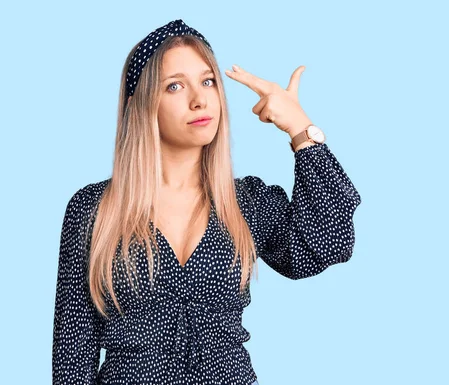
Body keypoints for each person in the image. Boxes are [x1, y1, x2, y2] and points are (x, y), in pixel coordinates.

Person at [52, 19, 362, 385]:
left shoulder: (246, 203)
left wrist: (300, 129)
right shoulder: (94, 209)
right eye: (175, 86)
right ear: (142, 104)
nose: (199, 99)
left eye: (208, 81)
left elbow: (330, 244)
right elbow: (72, 355)